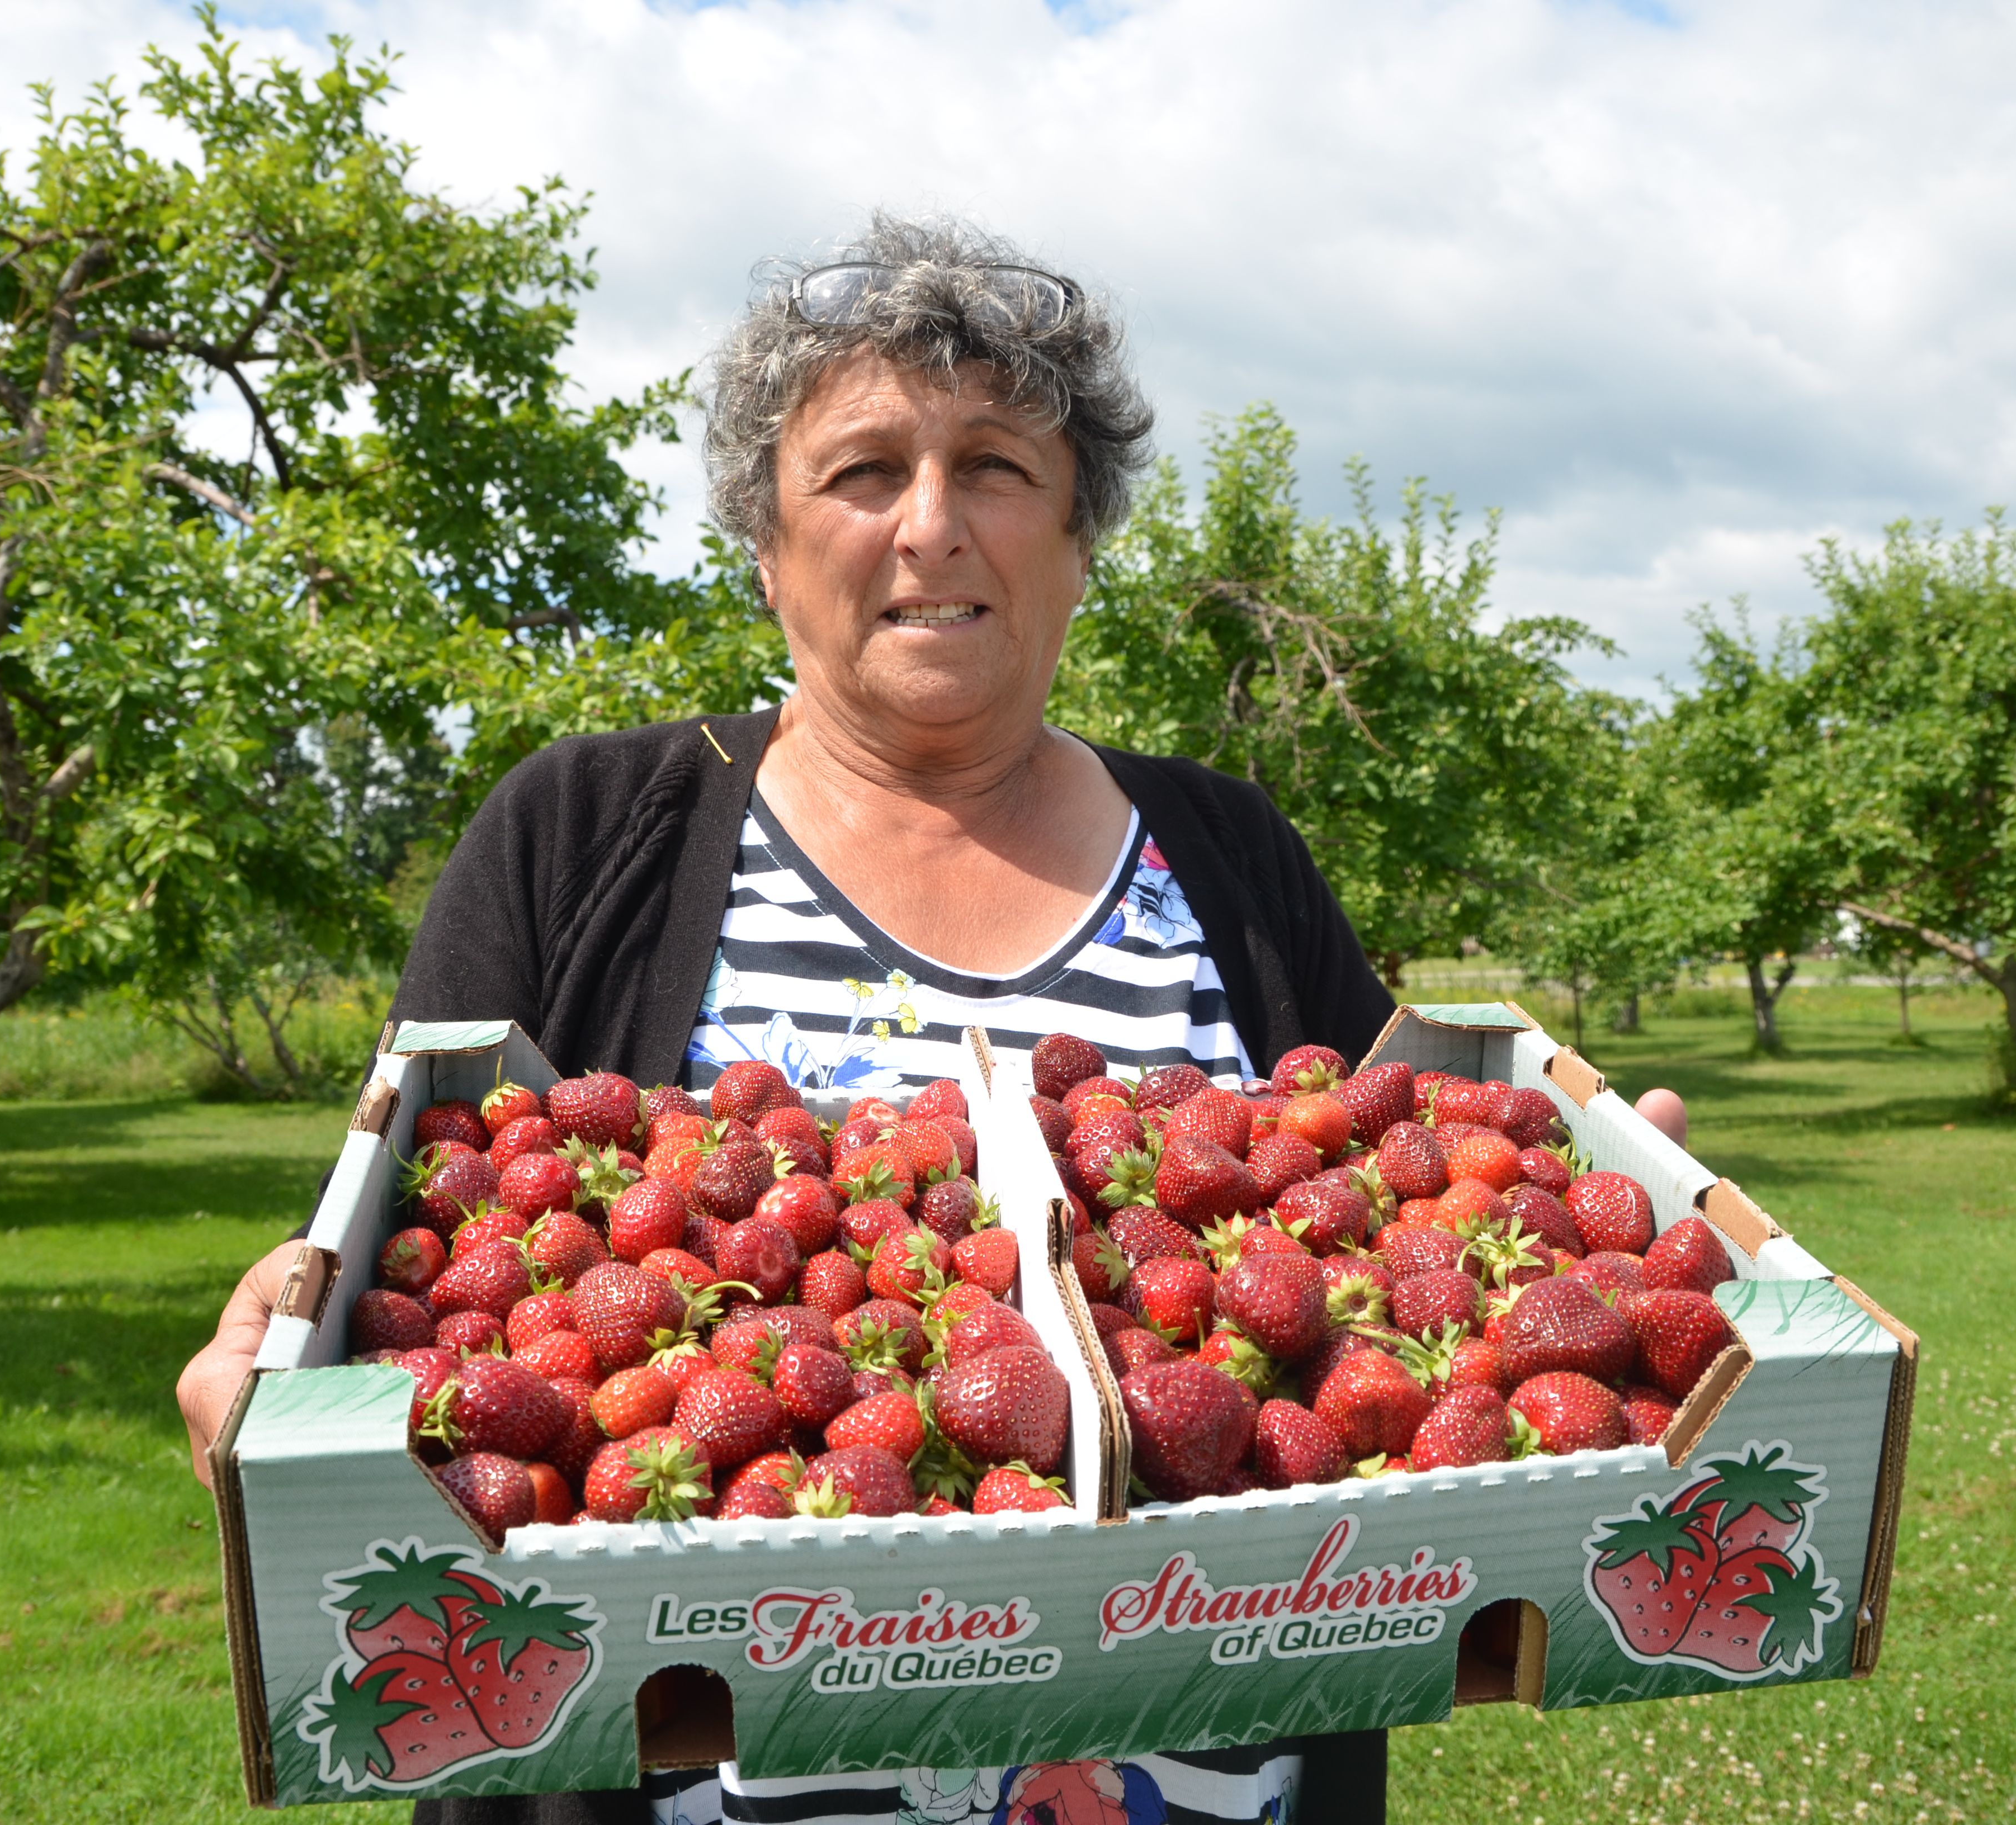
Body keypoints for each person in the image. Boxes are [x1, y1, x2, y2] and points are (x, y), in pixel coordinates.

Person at [177, 214, 1396, 1825]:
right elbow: (413, 1243)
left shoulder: (1228, 855)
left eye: (998, 469)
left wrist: (1605, 1235)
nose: (932, 527)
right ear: (767, 546)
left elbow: (1398, 1225)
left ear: (1080, 540)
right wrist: (280, 1345)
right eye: (864, 472)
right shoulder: (582, 830)